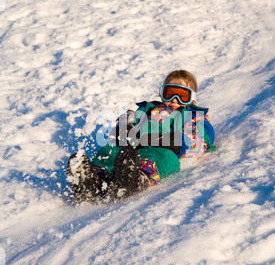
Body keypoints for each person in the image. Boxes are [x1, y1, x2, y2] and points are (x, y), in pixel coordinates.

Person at [67, 70, 216, 204]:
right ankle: (93, 179)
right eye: (170, 93)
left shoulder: (193, 116)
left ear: (192, 99)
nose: (175, 100)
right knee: (110, 149)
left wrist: (175, 141)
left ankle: (135, 179)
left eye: (182, 95)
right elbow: (129, 117)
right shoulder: (148, 108)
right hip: (134, 145)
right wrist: (124, 129)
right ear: (161, 93)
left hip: (165, 148)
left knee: (158, 156)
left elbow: (203, 138)